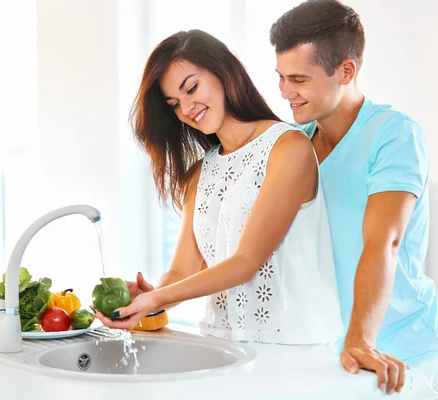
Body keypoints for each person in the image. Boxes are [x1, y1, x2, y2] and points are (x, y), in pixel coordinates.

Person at [94, 29, 342, 346]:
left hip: (295, 349)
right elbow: (182, 271)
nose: (186, 108)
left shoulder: (288, 147)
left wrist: (155, 302)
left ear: (223, 72)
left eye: (192, 88)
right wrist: (151, 296)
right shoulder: (200, 173)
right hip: (223, 346)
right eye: (173, 103)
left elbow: (245, 261)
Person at [270, 0, 438, 396]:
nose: (284, 92)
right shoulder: (297, 145)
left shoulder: (394, 135)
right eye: (279, 76)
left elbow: (384, 242)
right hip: (332, 352)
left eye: (299, 79)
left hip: (401, 352)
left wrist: (361, 339)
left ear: (346, 71)